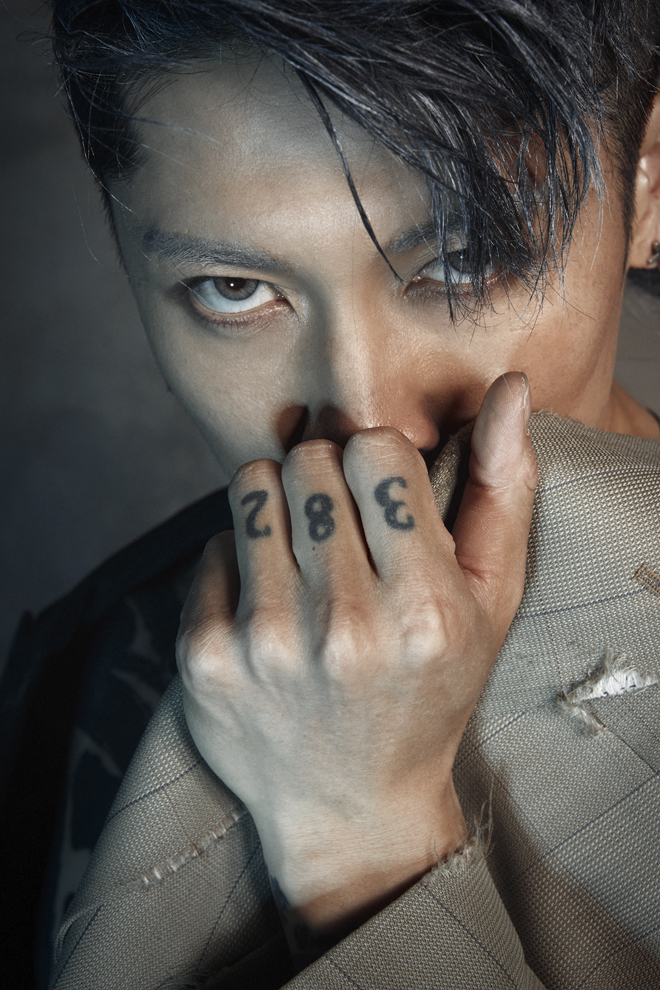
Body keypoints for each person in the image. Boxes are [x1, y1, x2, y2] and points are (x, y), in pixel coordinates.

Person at [2, 1, 660, 987]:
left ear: (650, 184)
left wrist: (365, 849)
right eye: (232, 288)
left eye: (466, 261)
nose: (370, 425)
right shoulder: (80, 686)